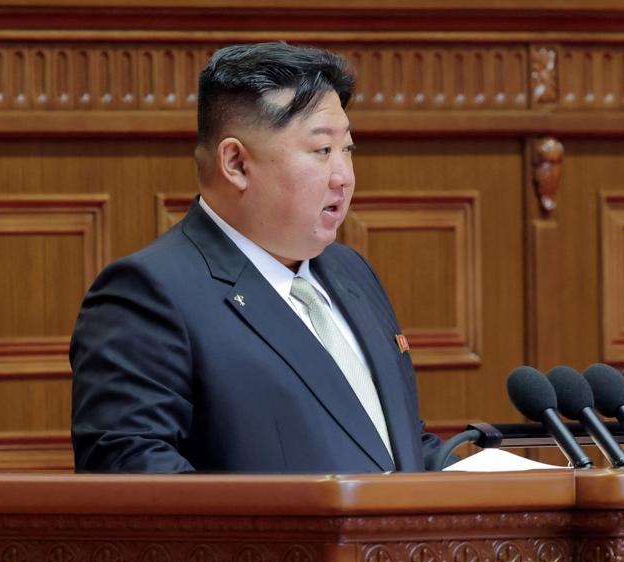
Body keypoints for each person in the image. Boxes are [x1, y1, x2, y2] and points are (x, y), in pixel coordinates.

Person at [70, 42, 446, 473]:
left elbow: (396, 450)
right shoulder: (148, 295)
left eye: (348, 150)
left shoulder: (351, 272)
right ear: (236, 164)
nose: (344, 176)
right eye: (323, 151)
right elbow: (133, 475)